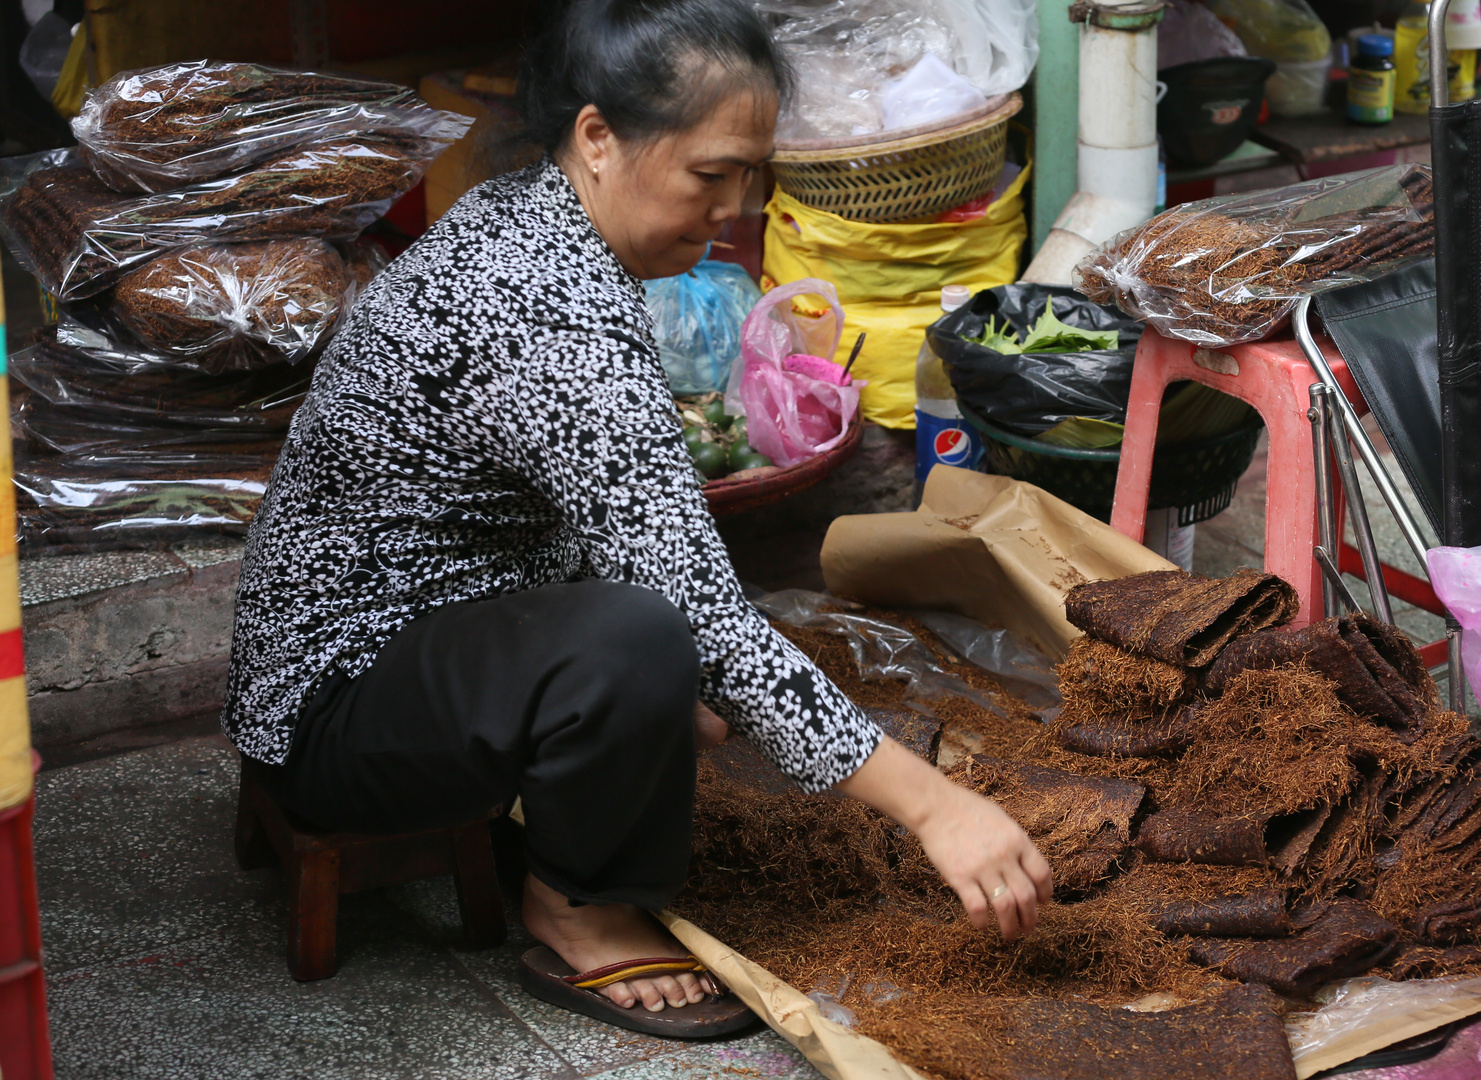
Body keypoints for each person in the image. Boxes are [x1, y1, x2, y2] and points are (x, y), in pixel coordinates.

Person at [224, 0, 1052, 1039]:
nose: (735, 208)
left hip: (405, 635)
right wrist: (939, 809)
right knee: (641, 636)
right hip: (334, 710)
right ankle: (575, 911)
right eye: (711, 175)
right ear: (598, 136)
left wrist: (673, 695)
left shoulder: (529, 213)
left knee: (660, 649)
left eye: (753, 176)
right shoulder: (546, 314)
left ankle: (593, 750)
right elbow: (696, 611)